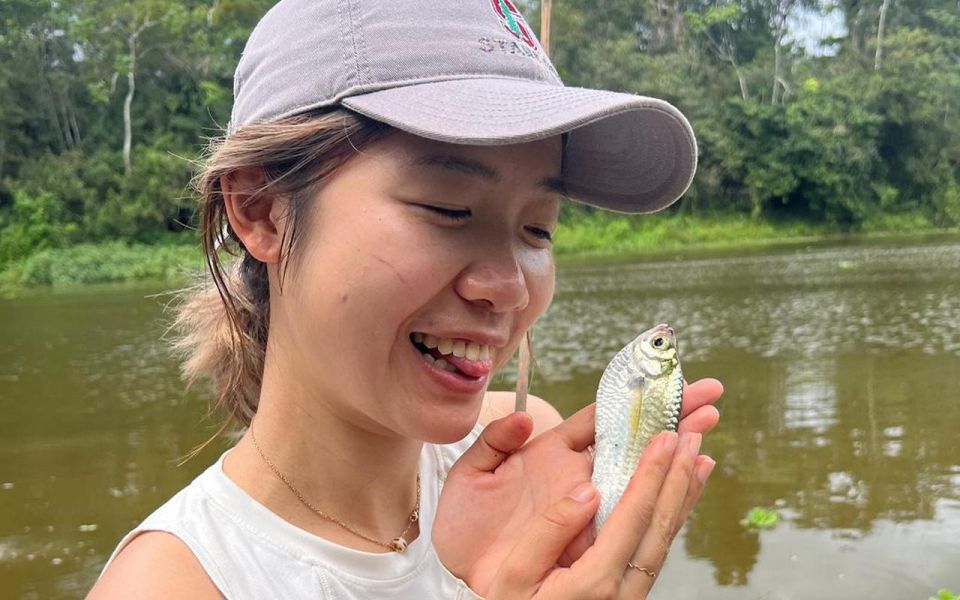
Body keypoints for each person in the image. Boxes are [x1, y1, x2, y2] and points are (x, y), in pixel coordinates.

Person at [88, 0, 723, 598]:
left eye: (539, 227)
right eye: (449, 209)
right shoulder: (175, 582)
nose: (510, 286)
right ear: (261, 211)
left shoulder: (529, 455)